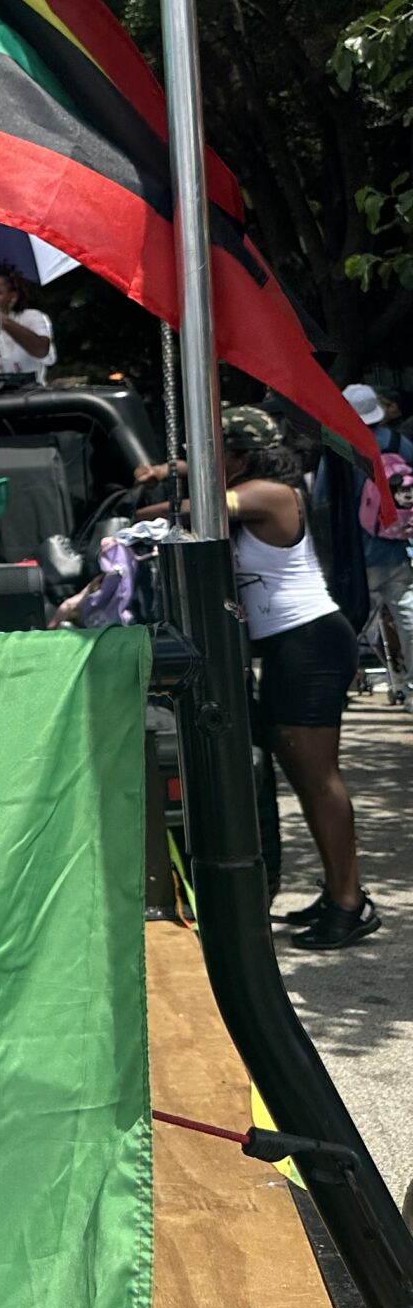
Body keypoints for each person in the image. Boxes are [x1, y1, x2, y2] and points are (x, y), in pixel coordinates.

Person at [134, 404, 371, 947]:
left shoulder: (269, 494)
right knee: (302, 775)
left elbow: (197, 507)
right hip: (291, 649)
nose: (207, 461)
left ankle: (350, 902)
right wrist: (164, 469)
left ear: (240, 455)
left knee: (319, 778)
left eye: (216, 452)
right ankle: (340, 891)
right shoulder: (255, 486)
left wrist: (158, 489)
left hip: (311, 643)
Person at [344, 382, 413, 694]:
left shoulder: (342, 449)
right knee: (407, 616)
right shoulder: (401, 443)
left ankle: (349, 681)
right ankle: (410, 686)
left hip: (358, 552)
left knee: (353, 620)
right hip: (400, 547)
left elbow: (322, 501)